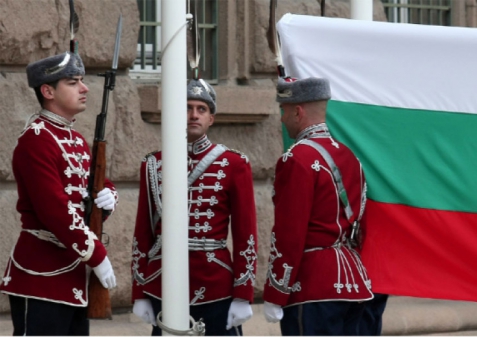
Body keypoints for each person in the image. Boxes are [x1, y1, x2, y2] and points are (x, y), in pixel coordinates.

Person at [0, 51, 118, 336]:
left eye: (82, 80)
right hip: (41, 276)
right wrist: (97, 255)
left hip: (74, 273)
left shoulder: (73, 139)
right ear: (48, 90)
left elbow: (93, 184)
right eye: (73, 82)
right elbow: (55, 210)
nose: (84, 88)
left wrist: (108, 196)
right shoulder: (36, 140)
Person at [131, 78, 258, 336]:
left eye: (201, 109)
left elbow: (246, 234)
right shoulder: (153, 164)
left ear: (211, 118)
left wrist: (243, 293)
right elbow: (143, 231)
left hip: (215, 282)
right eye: (187, 108)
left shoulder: (234, 164)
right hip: (162, 282)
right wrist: (138, 290)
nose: (193, 115)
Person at [262, 77, 373, 335]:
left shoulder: (295, 159)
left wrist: (276, 291)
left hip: (313, 287)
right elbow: (362, 226)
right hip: (354, 281)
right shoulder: (350, 156)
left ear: (298, 112)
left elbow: (289, 234)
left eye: (284, 111)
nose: (282, 119)